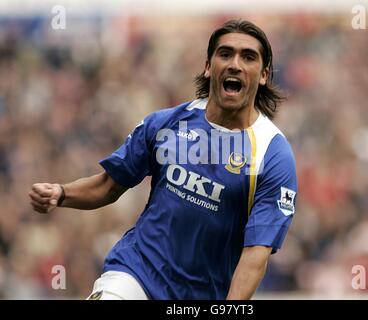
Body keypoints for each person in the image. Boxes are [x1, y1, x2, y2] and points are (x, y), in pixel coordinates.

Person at [29, 19, 297, 300]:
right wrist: (61, 193)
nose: (235, 64)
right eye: (225, 53)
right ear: (208, 67)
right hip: (136, 273)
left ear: (264, 74)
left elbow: (256, 254)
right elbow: (109, 185)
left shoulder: (273, 155)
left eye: (248, 57)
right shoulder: (166, 123)